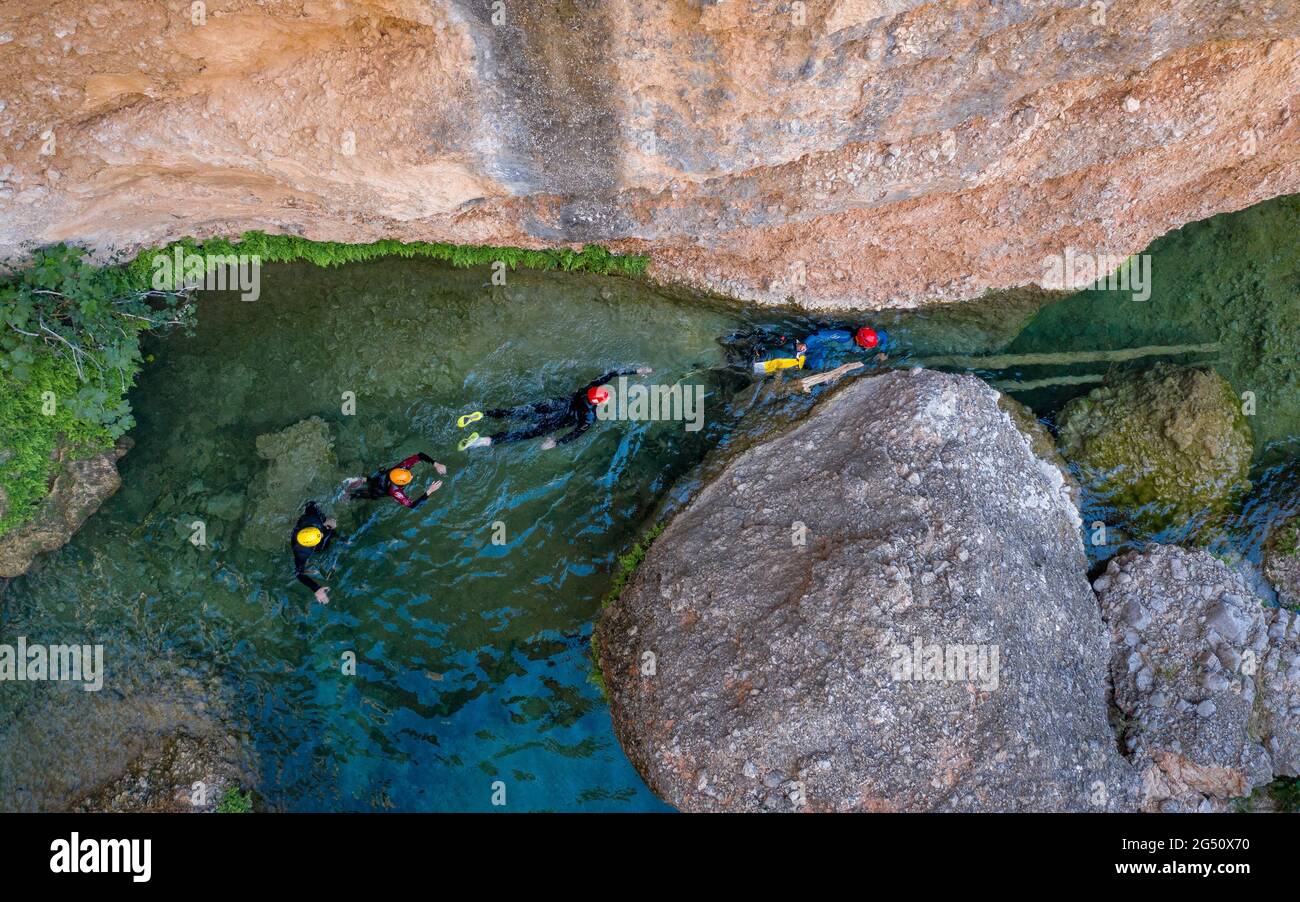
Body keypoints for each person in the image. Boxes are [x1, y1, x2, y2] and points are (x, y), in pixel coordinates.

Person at [462, 366, 653, 450]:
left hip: (553, 405)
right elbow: (575, 434)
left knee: (517, 412)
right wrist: (555, 443)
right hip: (553, 423)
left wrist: (636, 370)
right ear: (598, 403)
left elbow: (612, 373)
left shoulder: (588, 389)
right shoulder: (589, 417)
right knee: (521, 434)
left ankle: (484, 414)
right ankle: (483, 441)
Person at [343, 452, 447, 509]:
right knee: (369, 494)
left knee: (375, 479)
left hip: (380, 478)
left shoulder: (401, 467)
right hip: (381, 490)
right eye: (408, 478)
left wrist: (435, 464)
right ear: (400, 483)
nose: (411, 477)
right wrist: (430, 491)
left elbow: (420, 455)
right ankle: (350, 496)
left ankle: (361, 480)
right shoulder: (395, 491)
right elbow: (413, 506)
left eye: (409, 474)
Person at [291, 501, 337, 604]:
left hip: (305, 524)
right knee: (325, 546)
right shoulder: (302, 553)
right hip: (310, 537)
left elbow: (310, 503)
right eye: (320, 535)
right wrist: (316, 588)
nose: (321, 533)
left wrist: (325, 521)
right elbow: (298, 573)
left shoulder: (311, 520)